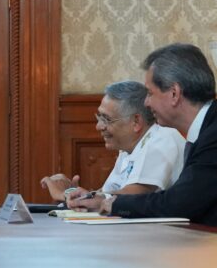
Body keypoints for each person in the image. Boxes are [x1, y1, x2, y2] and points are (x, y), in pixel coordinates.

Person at [67, 43, 217, 225]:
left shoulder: (213, 135)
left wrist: (114, 204)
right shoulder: (206, 129)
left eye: (150, 93)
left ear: (174, 94)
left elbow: (180, 203)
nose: (146, 103)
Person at [41, 81, 185, 202]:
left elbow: (133, 196)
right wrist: (71, 192)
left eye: (106, 119)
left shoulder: (162, 139)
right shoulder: (128, 149)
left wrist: (71, 195)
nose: (99, 126)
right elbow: (108, 194)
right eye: (99, 117)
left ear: (136, 121)